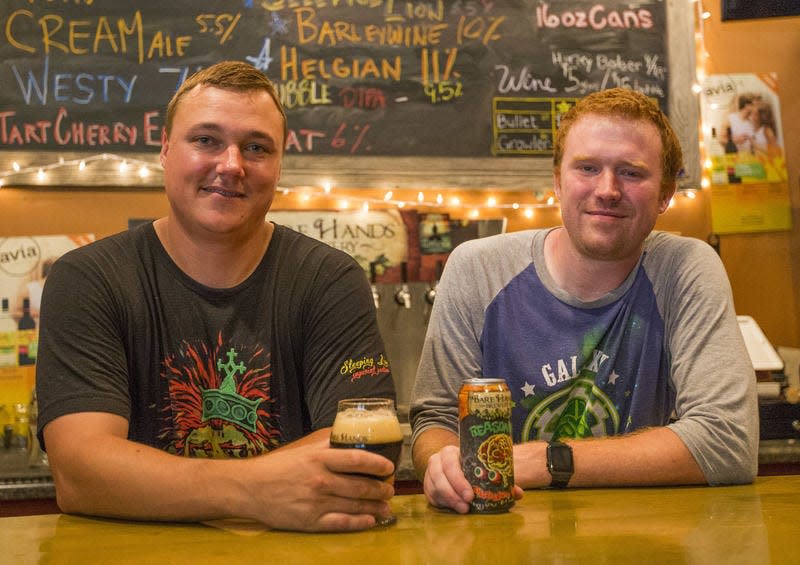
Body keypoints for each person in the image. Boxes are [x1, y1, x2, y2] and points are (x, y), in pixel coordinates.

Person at [35, 61, 397, 532]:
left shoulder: (329, 279)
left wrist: (153, 481)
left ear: (279, 164)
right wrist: (255, 491)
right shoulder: (89, 279)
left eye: (256, 147)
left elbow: (365, 450)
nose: (231, 165)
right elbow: (81, 473)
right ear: (165, 150)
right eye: (205, 140)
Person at [410, 88, 758, 514]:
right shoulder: (477, 269)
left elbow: (728, 442)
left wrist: (549, 461)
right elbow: (436, 422)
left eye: (631, 173)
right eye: (587, 168)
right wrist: (441, 465)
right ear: (558, 180)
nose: (607, 189)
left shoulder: (684, 269)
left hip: (643, 542)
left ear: (666, 193)